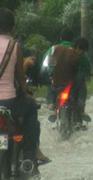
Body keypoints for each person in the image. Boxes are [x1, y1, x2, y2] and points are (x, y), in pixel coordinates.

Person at [0, 7, 47, 175]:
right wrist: (26, 91)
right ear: (12, 27)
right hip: (10, 102)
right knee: (32, 110)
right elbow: (20, 77)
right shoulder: (15, 46)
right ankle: (29, 156)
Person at [41, 29, 74, 109]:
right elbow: (84, 64)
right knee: (80, 87)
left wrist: (43, 73)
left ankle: (50, 102)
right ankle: (81, 107)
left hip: (56, 78)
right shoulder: (76, 49)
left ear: (60, 38)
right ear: (72, 39)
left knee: (50, 84)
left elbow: (45, 63)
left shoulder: (53, 49)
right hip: (71, 79)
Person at [73, 38, 91, 125]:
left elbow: (88, 70)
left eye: (82, 50)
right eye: (79, 49)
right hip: (70, 83)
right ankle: (81, 111)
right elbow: (88, 70)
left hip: (68, 82)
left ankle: (81, 110)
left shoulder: (69, 54)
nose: (79, 51)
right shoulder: (83, 57)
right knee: (82, 91)